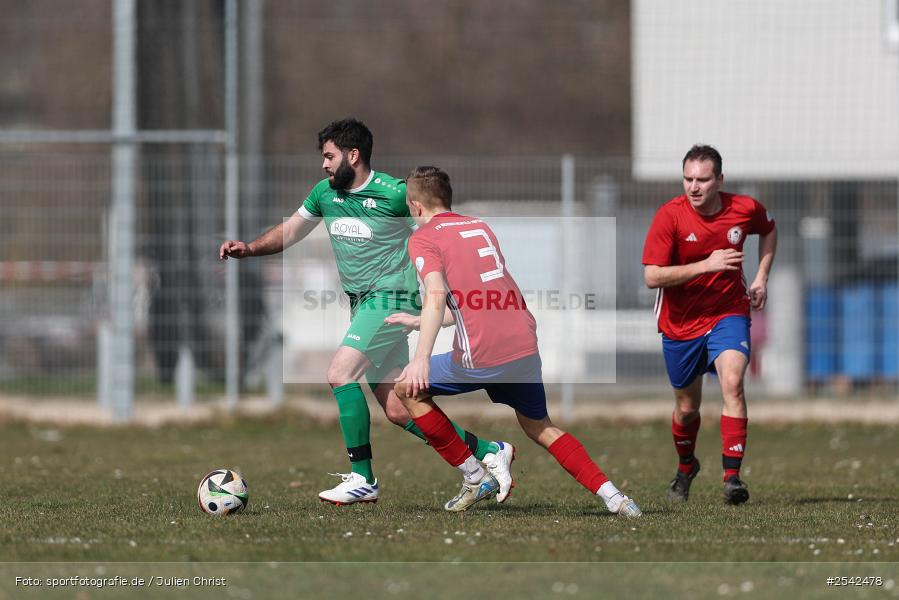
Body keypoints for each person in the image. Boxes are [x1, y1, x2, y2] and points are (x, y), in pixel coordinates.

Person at [219, 119, 512, 505]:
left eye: (329, 156)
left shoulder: (395, 194)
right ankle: (488, 452)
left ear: (352, 155)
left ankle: (363, 478)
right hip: (363, 306)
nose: (324, 165)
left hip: (392, 298)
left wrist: (459, 283)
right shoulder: (325, 194)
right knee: (397, 407)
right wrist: (251, 249)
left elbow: (438, 229)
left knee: (339, 373)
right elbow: (291, 231)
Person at [387, 166, 642, 516]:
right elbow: (472, 301)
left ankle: (476, 474)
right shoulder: (478, 226)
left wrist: (420, 358)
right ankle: (616, 498)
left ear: (415, 207)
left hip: (483, 352)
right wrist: (420, 322)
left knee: (406, 390)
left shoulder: (424, 238)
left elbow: (436, 293)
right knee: (540, 426)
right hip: (523, 340)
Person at [642, 144, 777, 505]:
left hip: (728, 313)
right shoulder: (669, 216)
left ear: (720, 179)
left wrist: (761, 278)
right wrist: (706, 265)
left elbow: (769, 230)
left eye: (702, 179)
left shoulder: (743, 208)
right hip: (680, 324)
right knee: (687, 409)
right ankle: (686, 466)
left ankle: (732, 478)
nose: (694, 187)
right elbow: (652, 277)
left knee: (733, 384)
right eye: (688, 179)